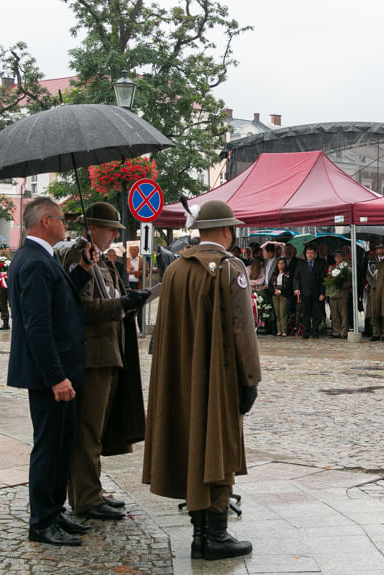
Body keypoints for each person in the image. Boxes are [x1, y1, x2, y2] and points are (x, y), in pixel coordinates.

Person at [143, 200, 259, 561]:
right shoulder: (228, 268)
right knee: (220, 447)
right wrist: (250, 379)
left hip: (183, 374)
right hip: (219, 376)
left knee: (194, 446)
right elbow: (243, 330)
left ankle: (199, 534)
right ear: (227, 230)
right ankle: (216, 535)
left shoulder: (176, 269)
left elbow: (161, 331)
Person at [7, 197, 95, 546]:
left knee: (62, 443)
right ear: (45, 221)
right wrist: (56, 376)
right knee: (49, 446)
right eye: (61, 219)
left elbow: (59, 299)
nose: (65, 225)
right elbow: (38, 325)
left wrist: (82, 270)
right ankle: (41, 520)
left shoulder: (43, 258)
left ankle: (54, 510)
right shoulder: (33, 261)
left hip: (61, 371)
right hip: (50, 375)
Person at [61, 202, 149, 522]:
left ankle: (92, 490)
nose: (114, 235)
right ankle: (84, 498)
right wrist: (119, 305)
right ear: (93, 228)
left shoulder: (105, 262)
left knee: (96, 430)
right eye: (111, 230)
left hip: (110, 351)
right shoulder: (79, 256)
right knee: (88, 430)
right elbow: (79, 308)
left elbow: (111, 301)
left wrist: (129, 305)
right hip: (92, 355)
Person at [293, 244, 326, 338]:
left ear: (315, 253)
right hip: (304, 292)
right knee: (305, 313)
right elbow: (296, 277)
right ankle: (306, 331)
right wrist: (296, 288)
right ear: (305, 254)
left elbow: (322, 279)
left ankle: (315, 330)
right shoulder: (301, 264)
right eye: (308, 253)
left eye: (312, 253)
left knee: (316, 313)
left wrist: (322, 293)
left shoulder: (320, 264)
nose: (310, 255)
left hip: (316, 293)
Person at [326, 250, 350, 338]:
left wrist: (342, 284)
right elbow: (328, 280)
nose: (338, 258)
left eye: (340, 256)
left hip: (342, 293)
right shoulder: (331, 267)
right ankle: (336, 331)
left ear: (343, 257)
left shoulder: (346, 267)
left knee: (343, 314)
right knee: (334, 314)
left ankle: (344, 331)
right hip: (333, 294)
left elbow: (350, 281)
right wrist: (327, 293)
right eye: (336, 256)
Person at [126, 245, 147, 332]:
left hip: (138, 285)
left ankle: (142, 328)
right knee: (129, 307)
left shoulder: (142, 260)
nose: (133, 251)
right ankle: (129, 329)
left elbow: (146, 272)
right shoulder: (126, 260)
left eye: (135, 250)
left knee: (140, 307)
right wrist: (127, 270)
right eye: (131, 250)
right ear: (129, 251)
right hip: (128, 285)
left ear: (138, 251)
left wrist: (134, 272)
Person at [269, 257, 291, 336]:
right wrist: (274, 291)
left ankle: (284, 330)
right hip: (275, 294)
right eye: (279, 263)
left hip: (283, 294)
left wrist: (281, 291)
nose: (281, 265)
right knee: (277, 313)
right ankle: (279, 330)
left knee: (283, 312)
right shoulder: (274, 274)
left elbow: (289, 286)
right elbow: (270, 284)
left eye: (282, 263)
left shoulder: (287, 274)